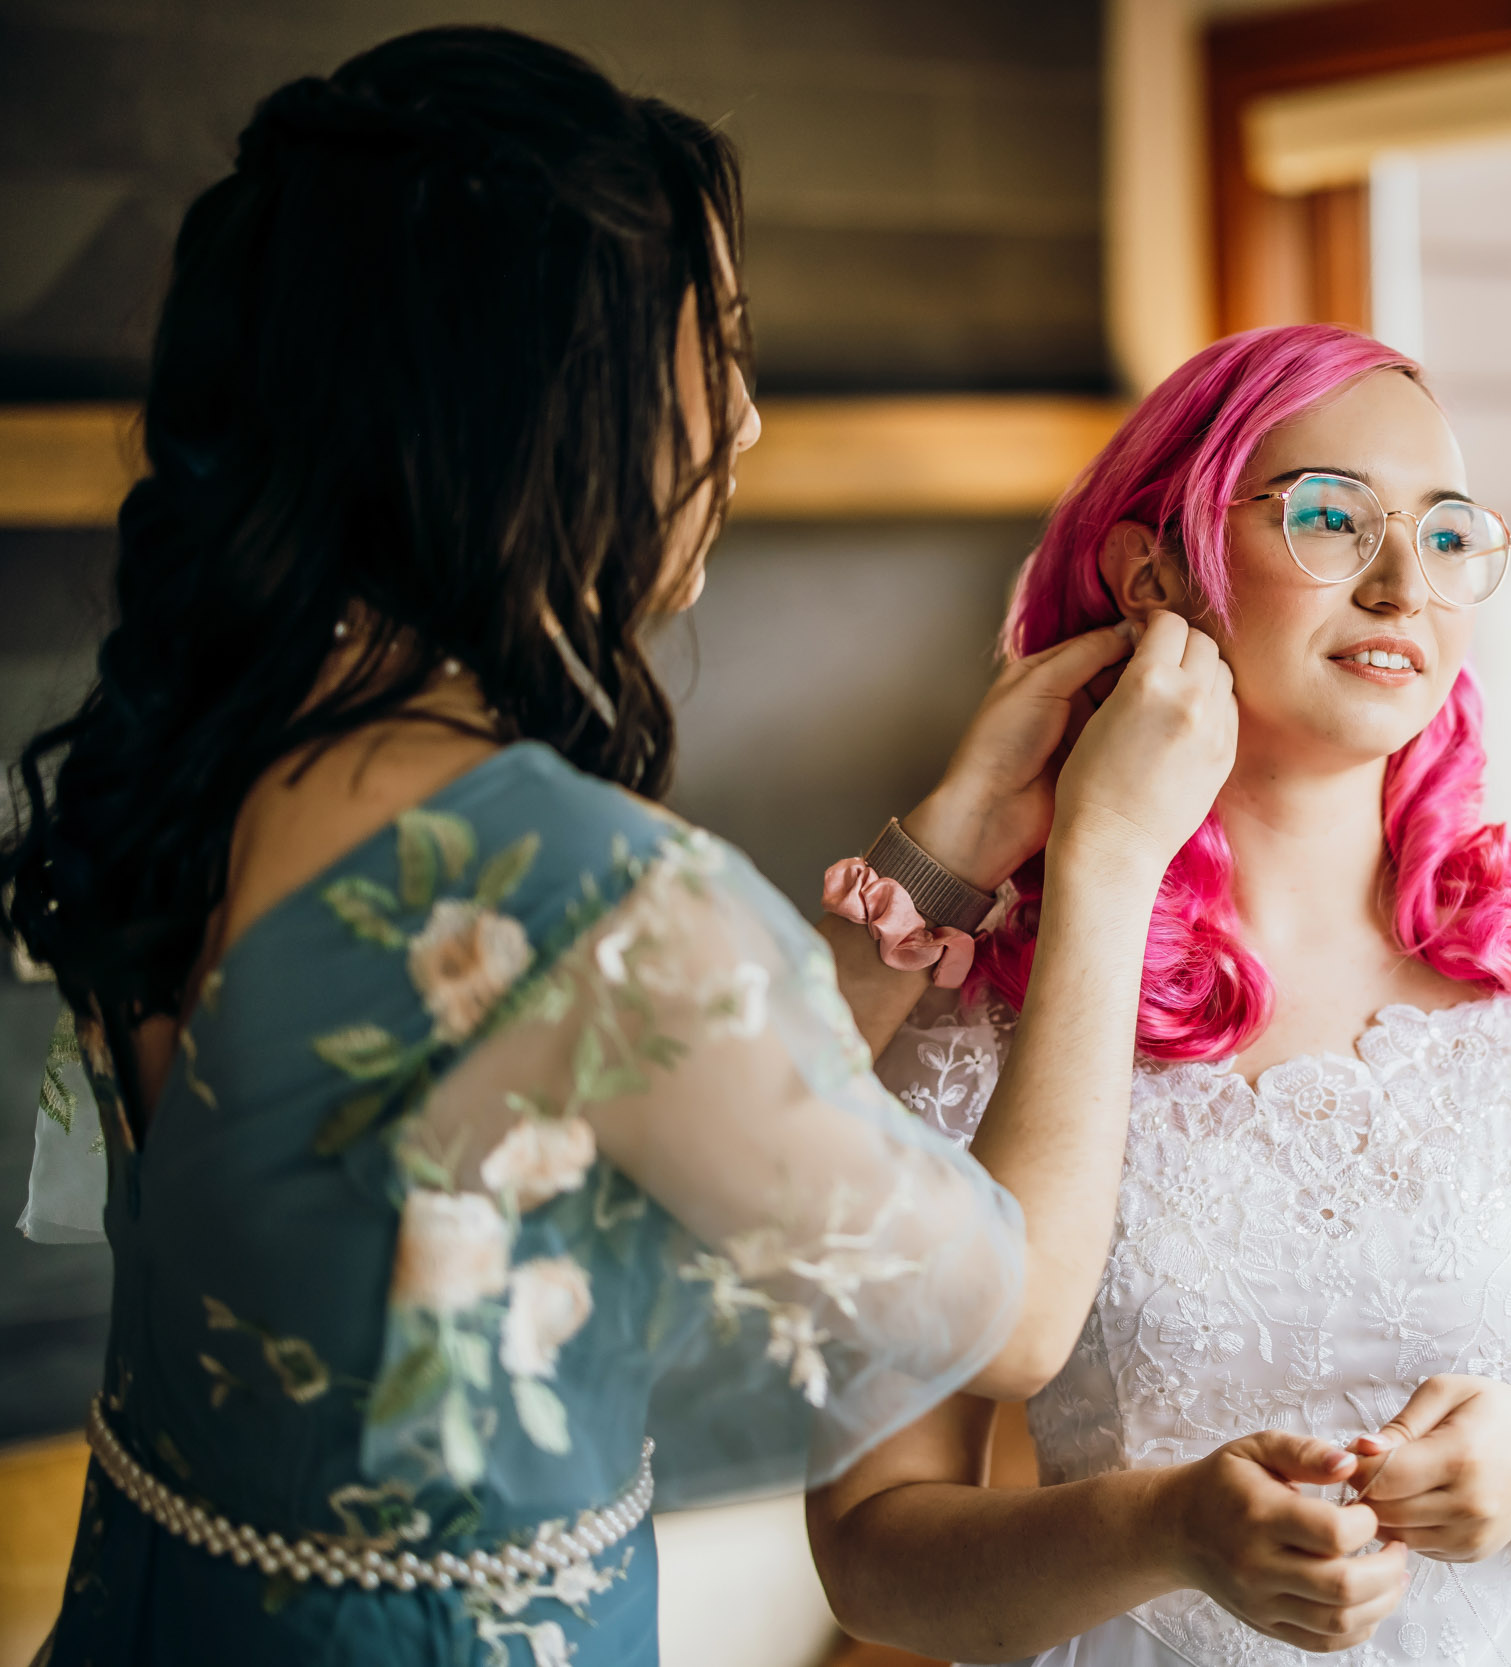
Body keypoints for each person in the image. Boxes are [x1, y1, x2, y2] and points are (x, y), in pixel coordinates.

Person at [6, 27, 1234, 1667]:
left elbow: (610, 1081)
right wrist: (1105, 865)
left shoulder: (197, 762)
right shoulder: (597, 892)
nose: (740, 424)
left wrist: (941, 859)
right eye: (708, 347)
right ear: (536, 388)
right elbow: (1008, 1321)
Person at [810, 325, 1511, 1666]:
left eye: (1446, 535)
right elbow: (871, 1558)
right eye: (1333, 518)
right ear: (1155, 570)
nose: (1403, 585)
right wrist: (1160, 1531)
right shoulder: (974, 1006)